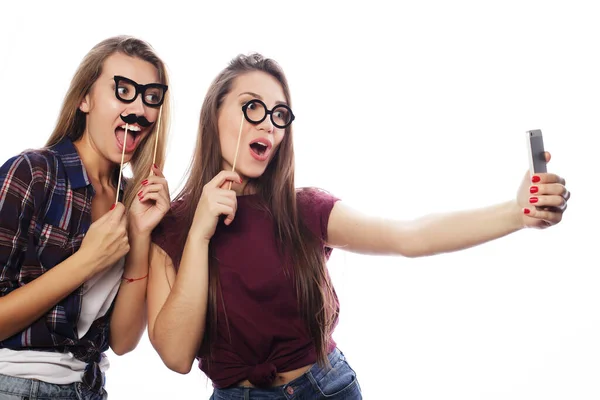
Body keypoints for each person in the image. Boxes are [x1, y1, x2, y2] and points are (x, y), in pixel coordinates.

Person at [147, 53, 570, 400]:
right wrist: (201, 232)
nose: (268, 124)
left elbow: (410, 236)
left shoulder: (303, 210)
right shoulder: (174, 225)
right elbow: (177, 356)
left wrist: (516, 214)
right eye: (252, 106)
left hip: (324, 390)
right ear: (214, 113)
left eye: (279, 114)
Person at [0, 35, 172, 400]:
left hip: (88, 390)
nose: (138, 109)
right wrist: (86, 261)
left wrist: (140, 235)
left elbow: (124, 342)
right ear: (85, 99)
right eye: (123, 90)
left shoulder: (133, 201)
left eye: (151, 97)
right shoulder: (32, 173)